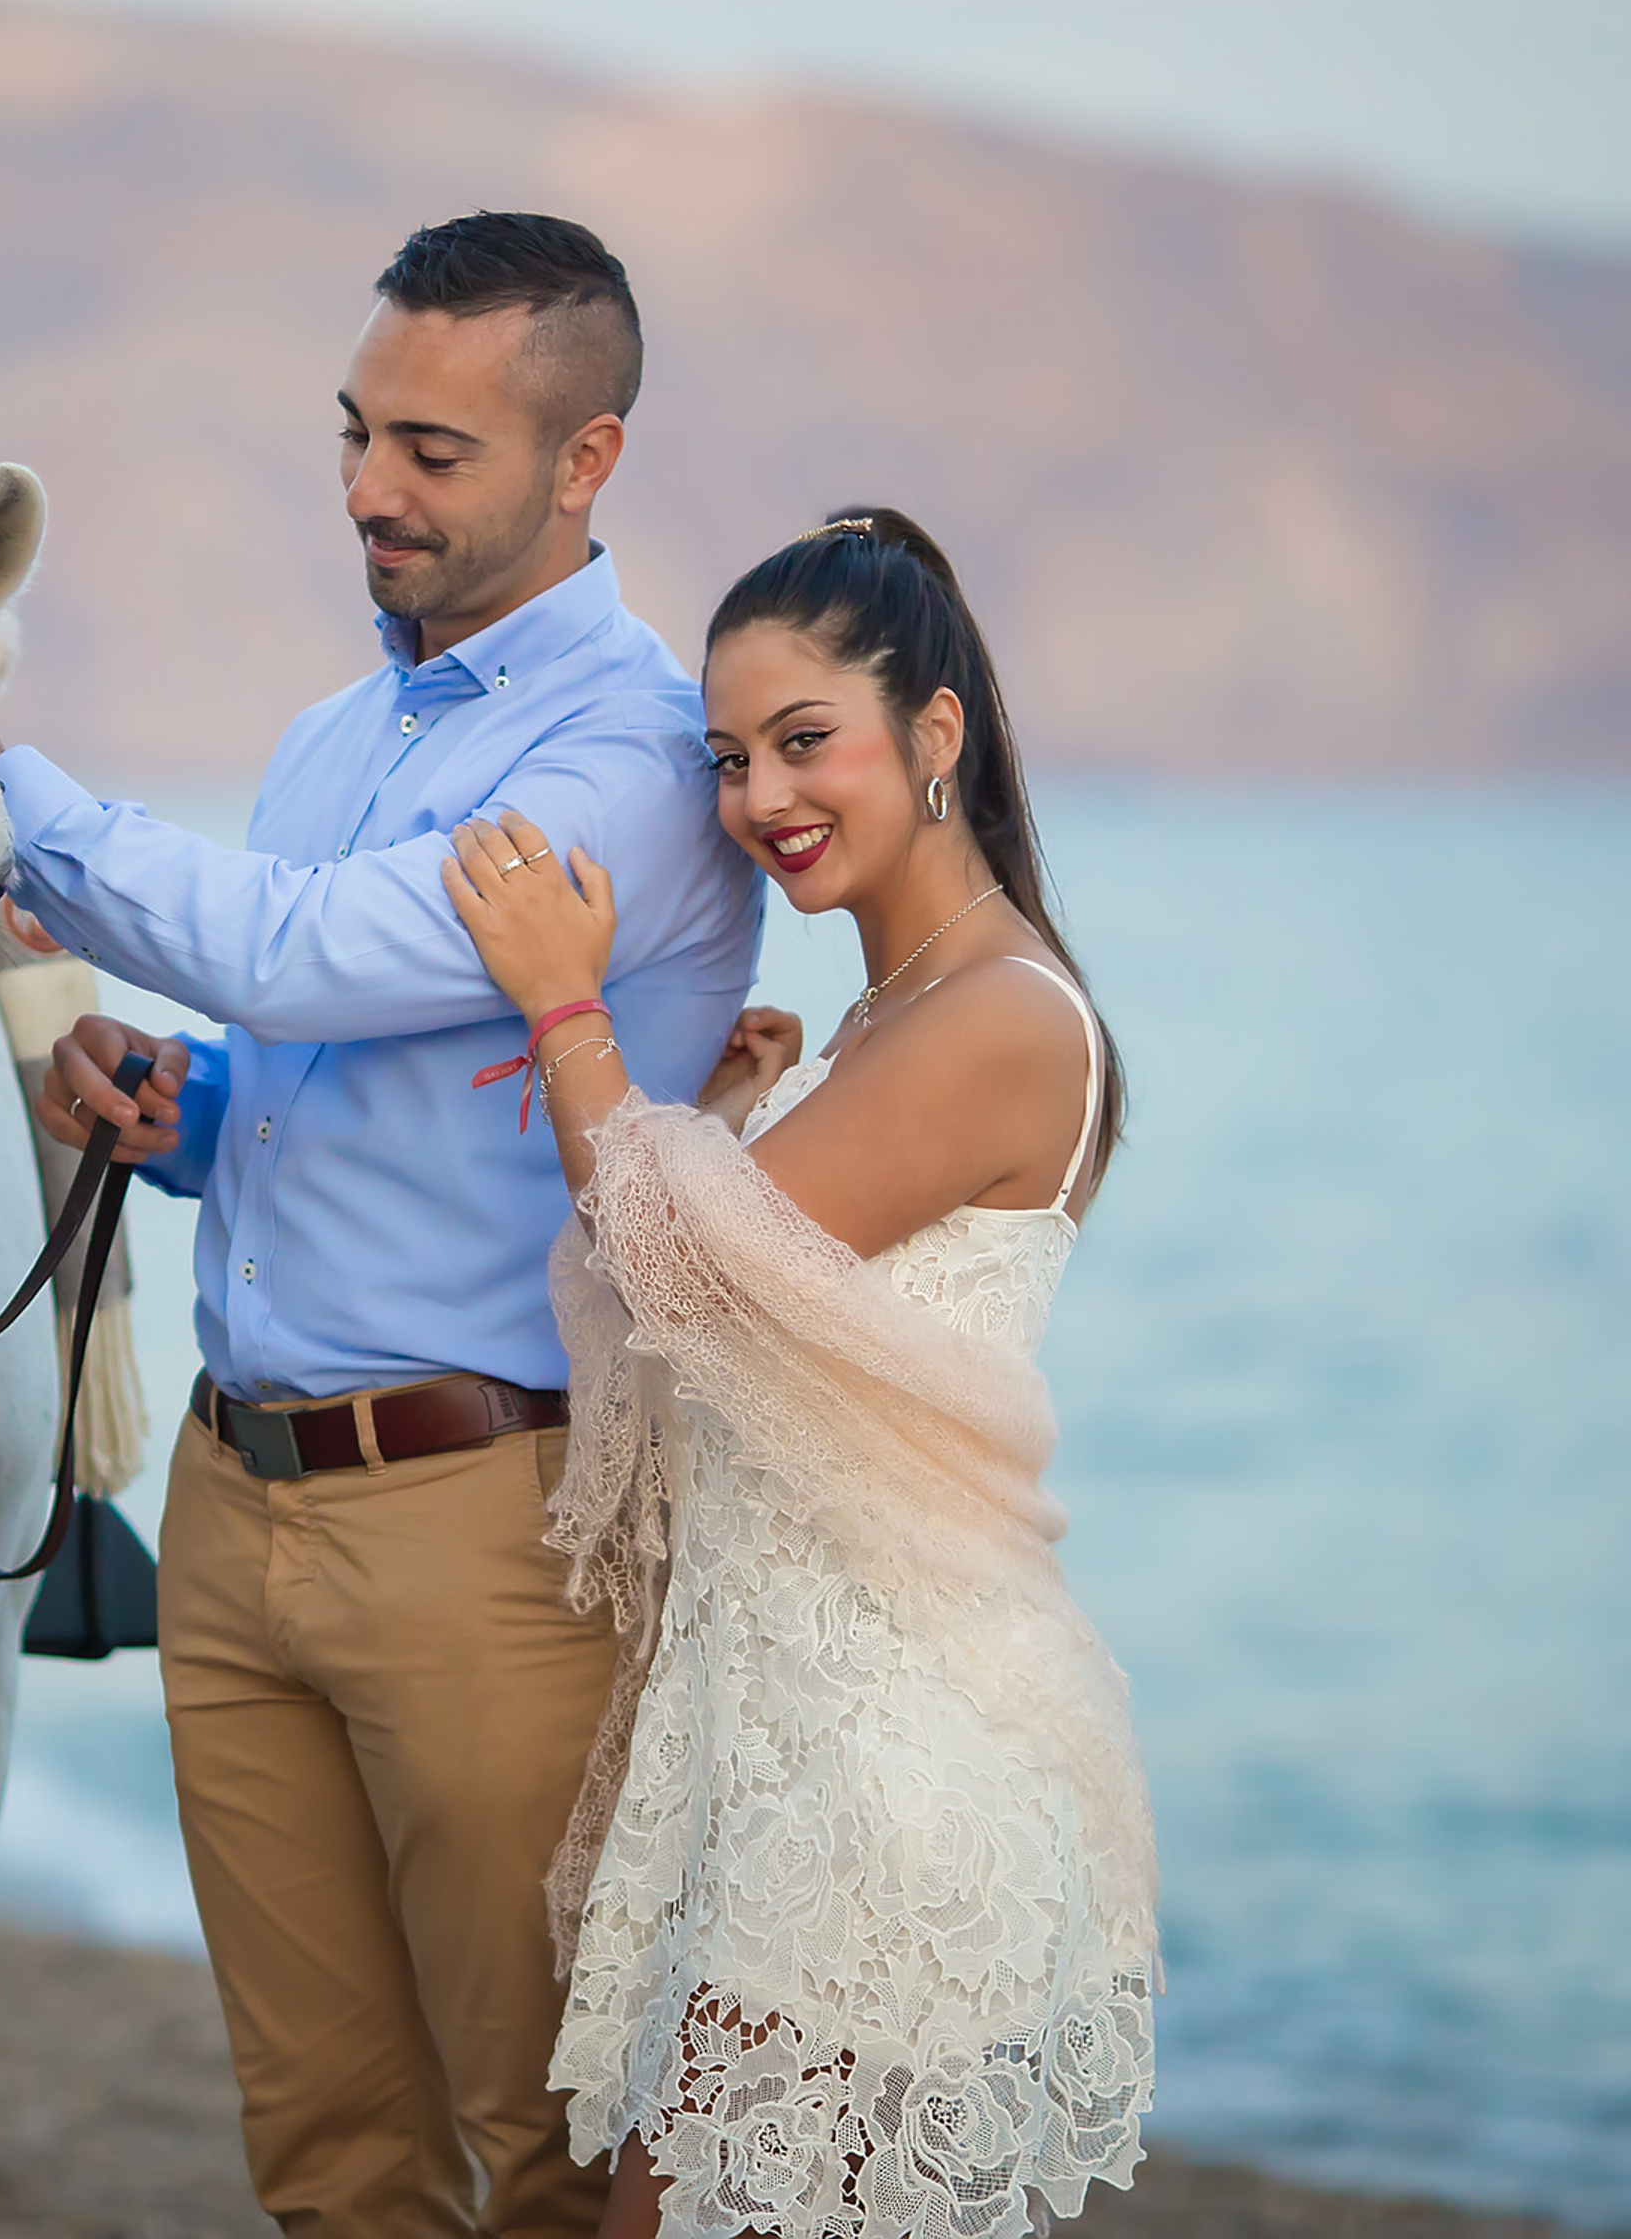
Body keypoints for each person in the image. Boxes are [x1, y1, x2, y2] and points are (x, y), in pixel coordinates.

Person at [0, 212, 765, 2235]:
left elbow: (303, 950)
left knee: (551, 2150)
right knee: (325, 2156)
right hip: (233, 1510)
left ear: (580, 461)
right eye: (355, 431)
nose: (365, 486)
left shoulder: (631, 757)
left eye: (430, 450)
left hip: (488, 1528)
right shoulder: (333, 739)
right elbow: (320, 1059)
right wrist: (175, 1110)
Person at [440, 511, 1158, 2239]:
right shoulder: (883, 1021)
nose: (761, 797)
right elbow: (710, 1298)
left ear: (935, 733)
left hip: (883, 1771)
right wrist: (733, 1125)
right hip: (779, 1745)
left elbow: (668, 1269)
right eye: (729, 757)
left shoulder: (999, 1015)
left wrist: (564, 1006)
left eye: (804, 741)